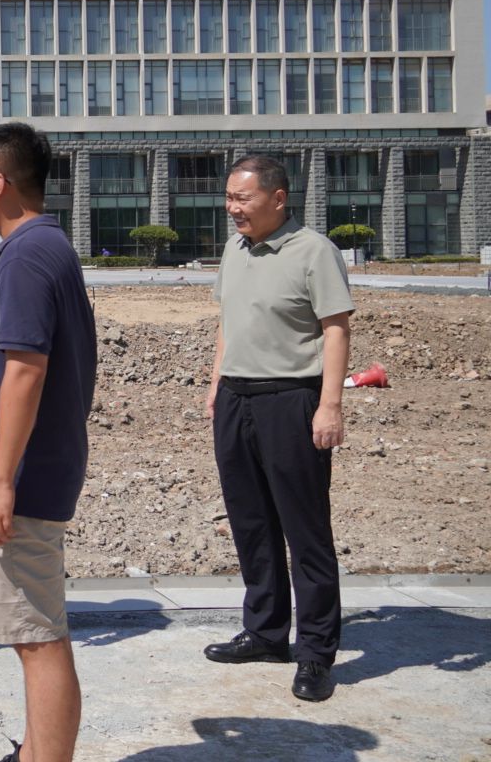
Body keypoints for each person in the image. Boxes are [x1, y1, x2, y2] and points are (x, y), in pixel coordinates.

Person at [0, 123, 96, 762]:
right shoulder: (33, 248)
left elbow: (26, 371)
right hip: (24, 474)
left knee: (38, 639)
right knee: (32, 631)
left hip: (22, 483)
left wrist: (0, 480)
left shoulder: (29, 257)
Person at [202, 155, 352, 704]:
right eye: (229, 197)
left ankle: (315, 652)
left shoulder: (314, 251)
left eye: (242, 198)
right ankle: (266, 633)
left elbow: (335, 330)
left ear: (279, 198)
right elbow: (228, 320)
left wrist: (330, 406)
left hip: (291, 400)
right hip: (236, 399)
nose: (231, 208)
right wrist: (216, 382)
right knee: (251, 523)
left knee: (305, 530)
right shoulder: (235, 249)